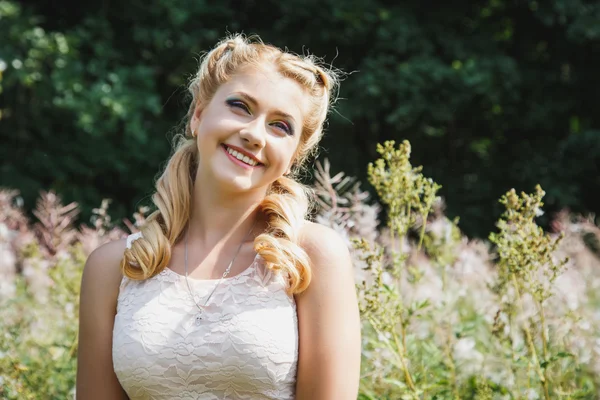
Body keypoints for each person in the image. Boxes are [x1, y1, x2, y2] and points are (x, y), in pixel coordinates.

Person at [75, 34, 361, 399]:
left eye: (280, 126)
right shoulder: (113, 267)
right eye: (240, 106)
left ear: (293, 157)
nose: (254, 134)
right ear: (198, 115)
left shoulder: (311, 257)